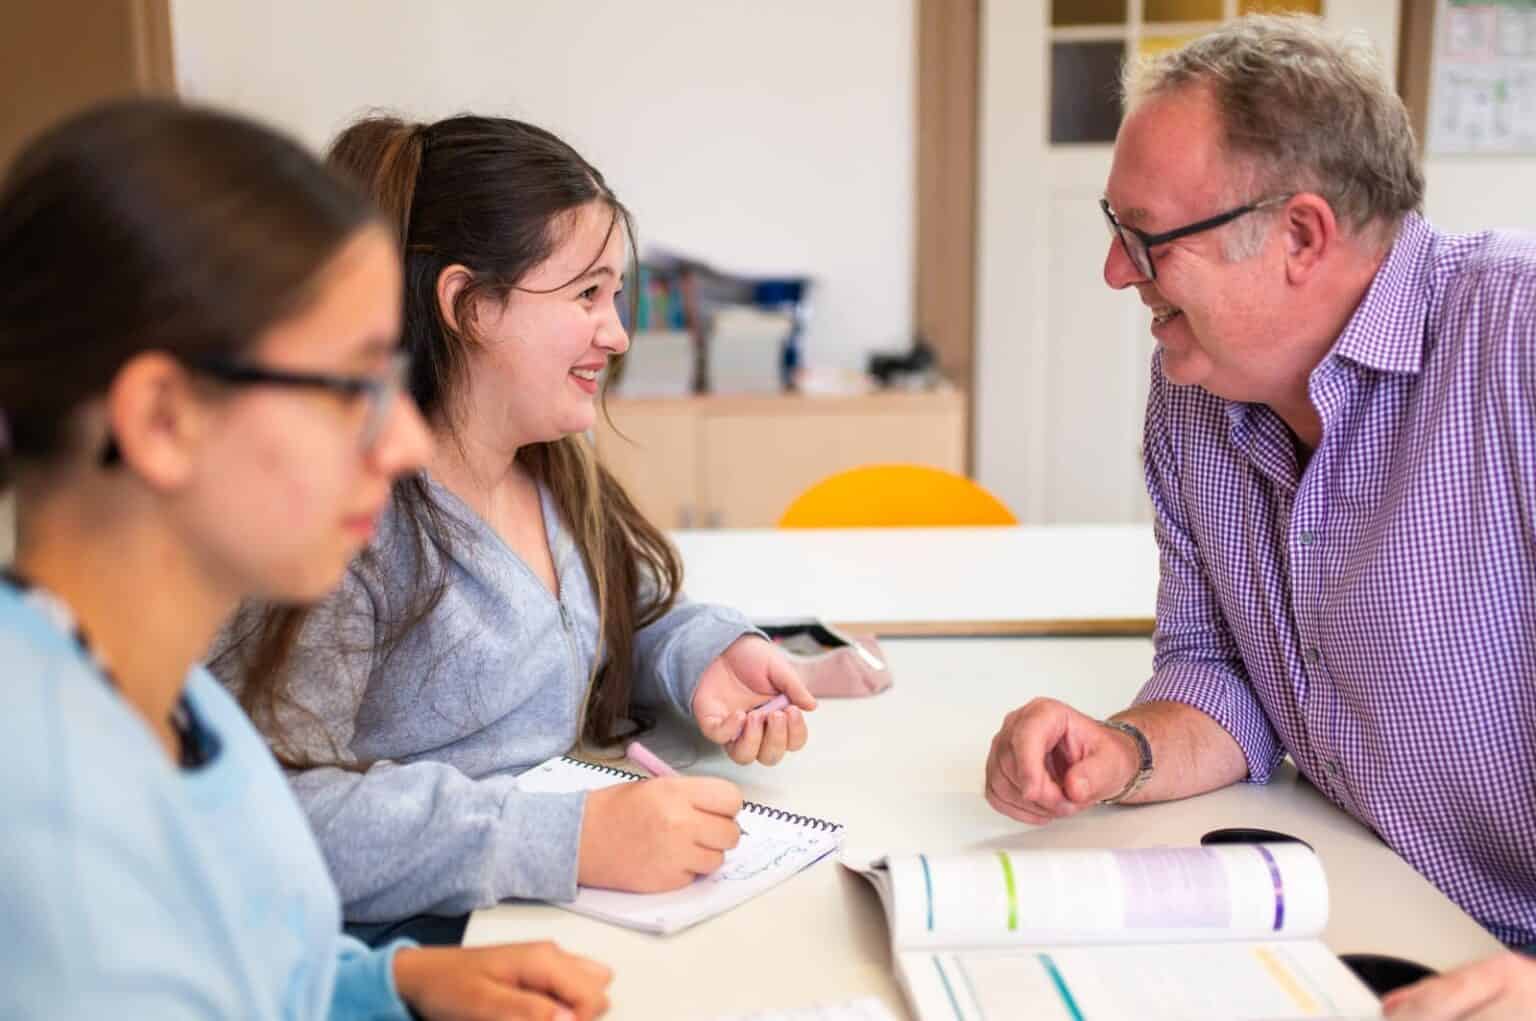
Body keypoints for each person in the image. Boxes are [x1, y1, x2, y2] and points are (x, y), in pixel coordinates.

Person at [0, 98, 610, 1020]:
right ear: (164, 421)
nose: (404, 440)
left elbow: (256, 971)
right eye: (351, 387)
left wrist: (388, 983)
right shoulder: (49, 853)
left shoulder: (177, 703)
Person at [980, 15, 1536, 1019]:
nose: (1116, 272)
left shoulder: (1518, 340)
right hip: (1365, 917)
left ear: (1301, 236)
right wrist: (1125, 750)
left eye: (1143, 237)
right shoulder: (1192, 393)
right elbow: (1221, 671)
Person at [212, 114, 816, 945]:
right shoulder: (347, 529)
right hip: (414, 951)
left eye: (616, 294)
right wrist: (574, 840)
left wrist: (699, 653)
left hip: (561, 919)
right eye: (584, 294)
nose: (618, 332)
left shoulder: (555, 469)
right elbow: (268, 806)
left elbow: (612, 616)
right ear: (467, 305)